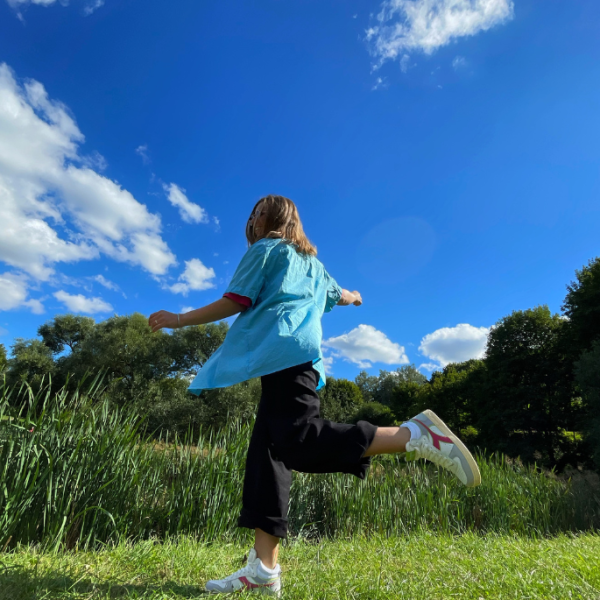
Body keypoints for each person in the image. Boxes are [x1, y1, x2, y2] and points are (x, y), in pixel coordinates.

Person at [149, 195, 481, 597]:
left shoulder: (267, 249)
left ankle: (414, 435)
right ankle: (264, 568)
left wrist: (179, 319)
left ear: (277, 218)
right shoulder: (314, 265)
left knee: (299, 440)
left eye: (259, 212)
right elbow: (340, 294)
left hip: (283, 355)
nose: (252, 219)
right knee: (267, 456)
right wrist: (355, 295)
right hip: (293, 358)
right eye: (251, 214)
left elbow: (236, 300)